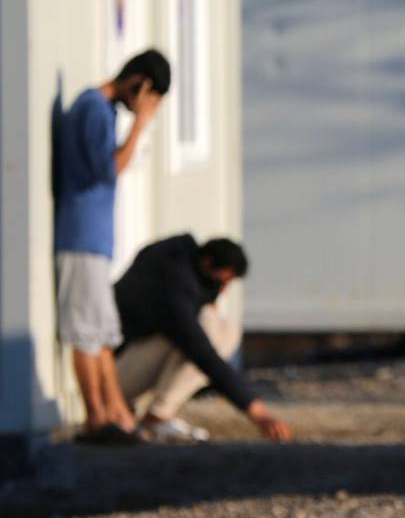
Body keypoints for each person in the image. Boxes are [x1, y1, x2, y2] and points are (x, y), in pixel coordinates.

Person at [52, 49, 169, 444]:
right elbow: (110, 168)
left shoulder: (102, 112)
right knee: (86, 332)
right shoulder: (94, 110)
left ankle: (115, 414)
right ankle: (96, 419)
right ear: (139, 83)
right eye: (148, 98)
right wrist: (140, 125)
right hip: (80, 237)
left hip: (94, 239)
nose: (145, 107)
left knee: (102, 332)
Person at [114, 235, 292, 442]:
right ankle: (157, 417)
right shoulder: (174, 284)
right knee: (212, 329)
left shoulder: (177, 261)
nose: (223, 291)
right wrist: (257, 412)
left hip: (126, 364)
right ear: (207, 264)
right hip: (112, 377)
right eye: (222, 283)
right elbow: (201, 351)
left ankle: (154, 413)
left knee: (223, 328)